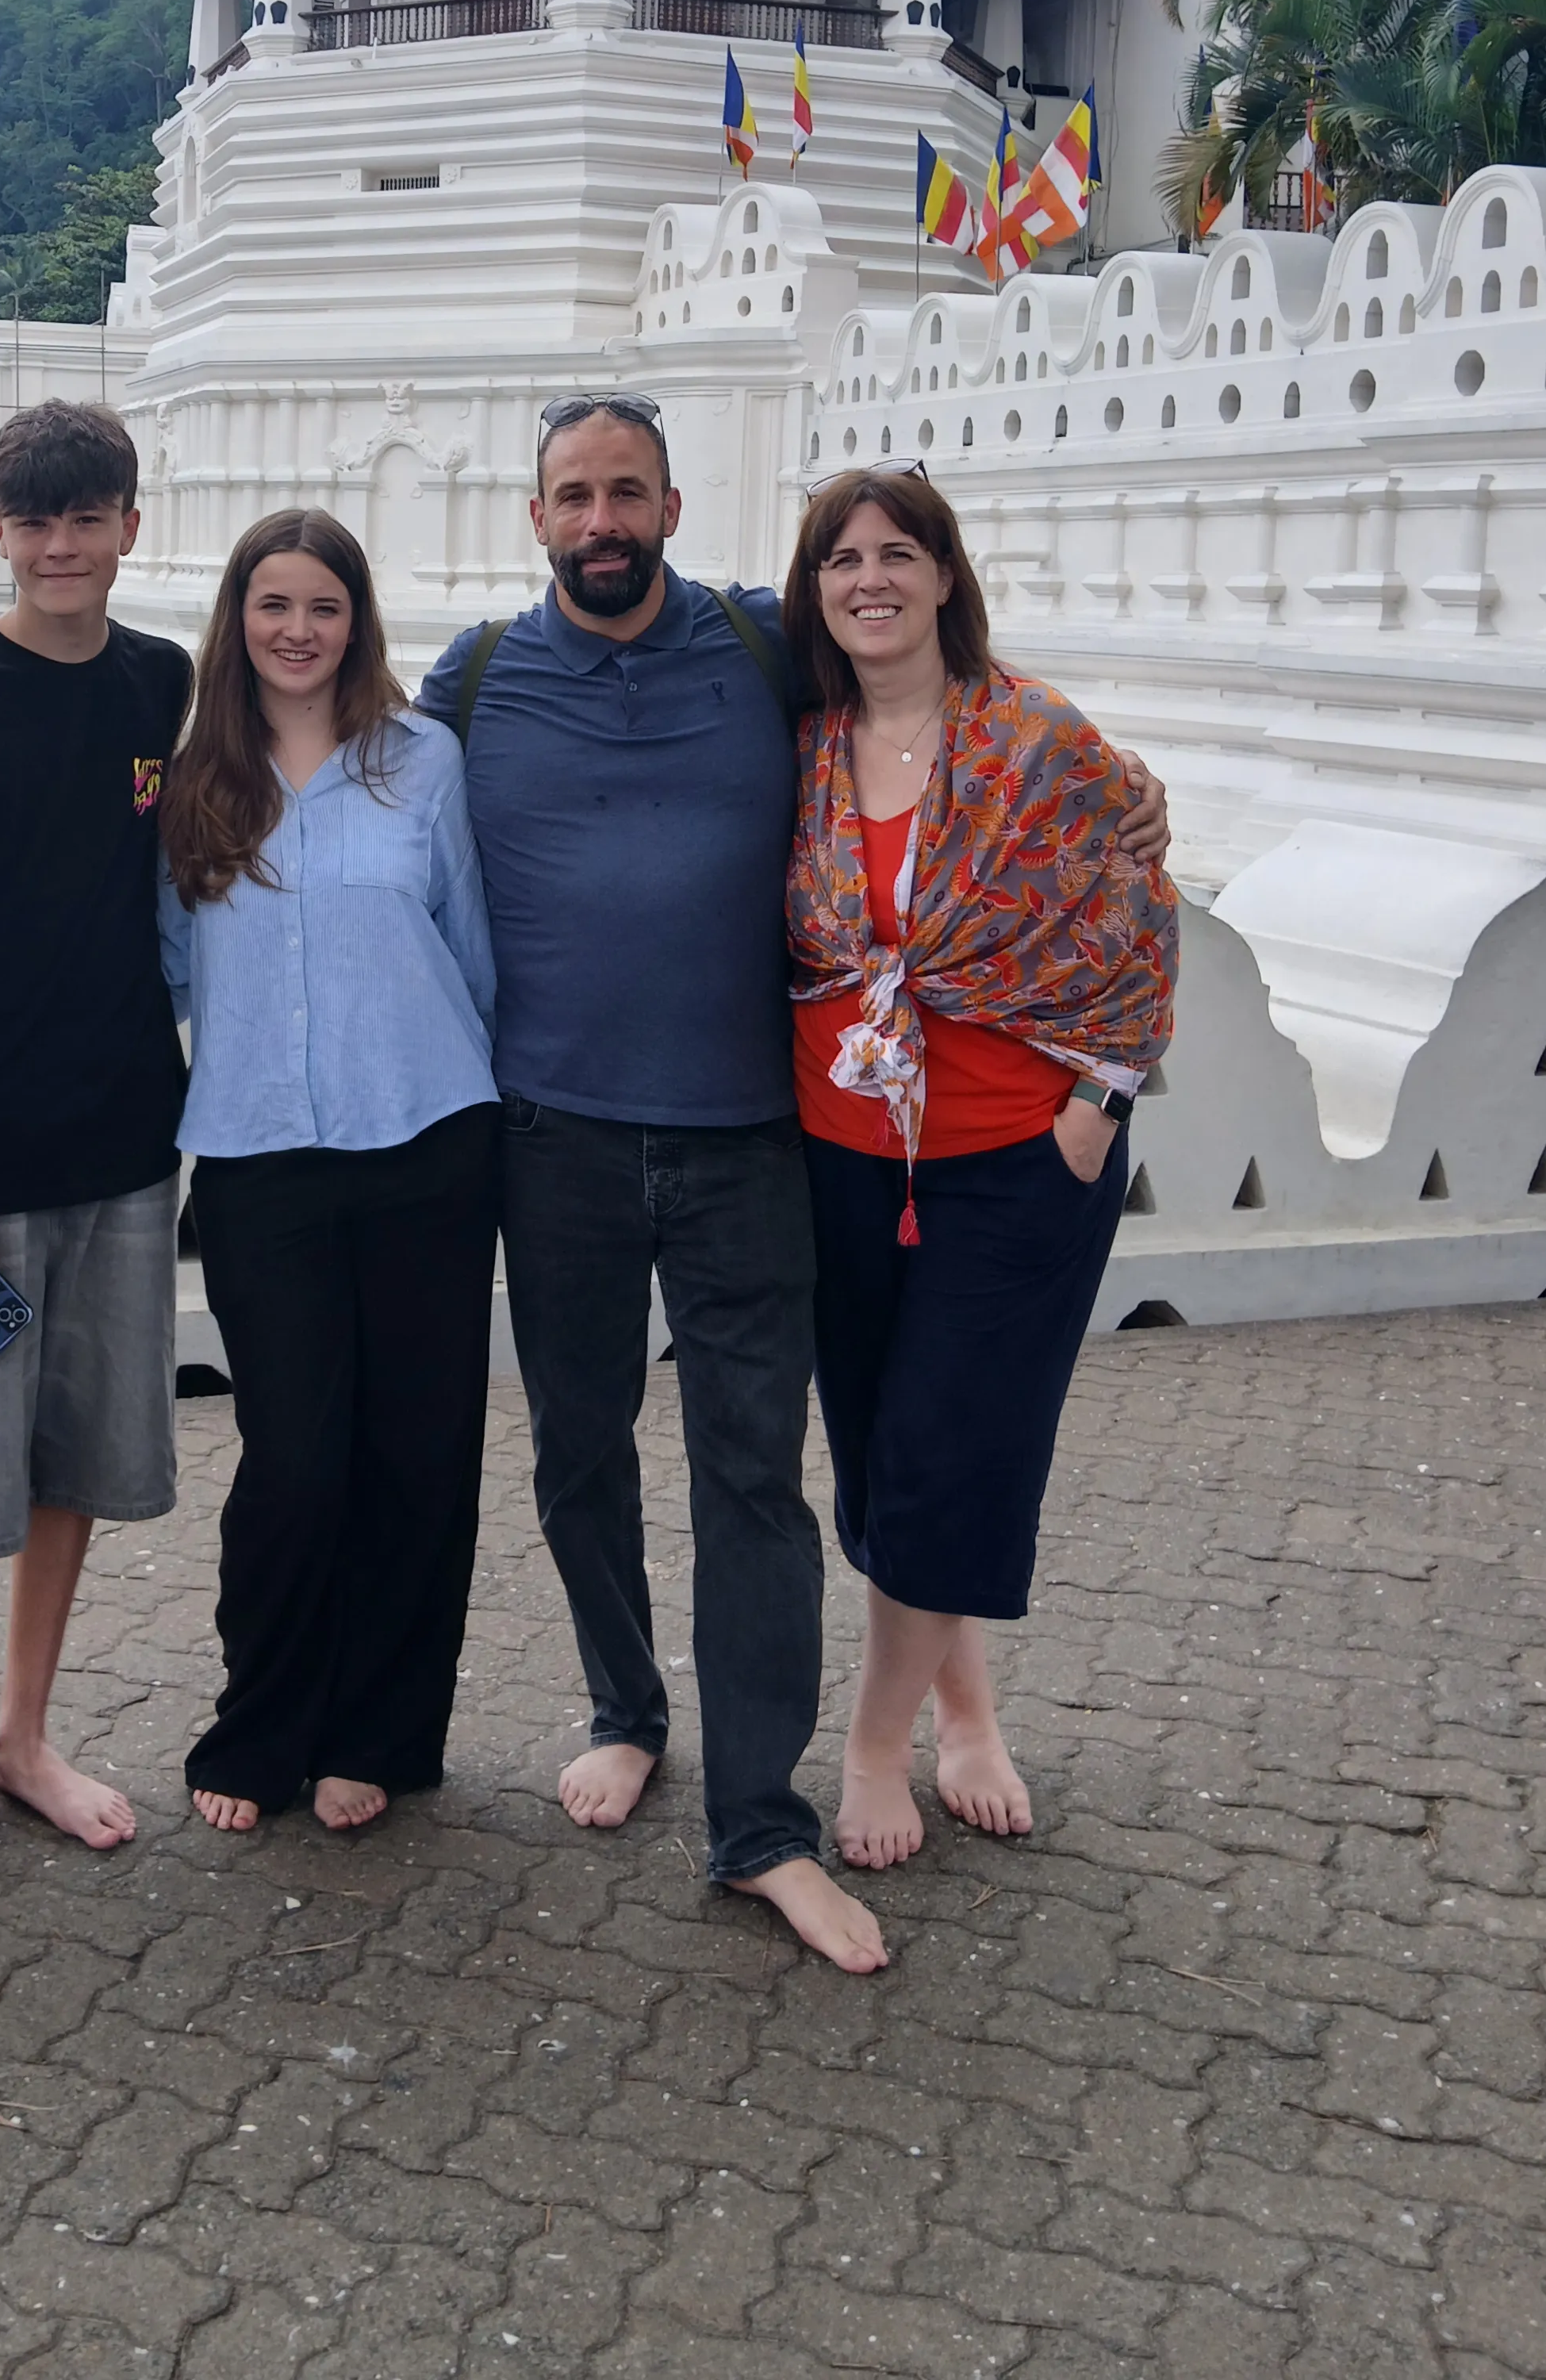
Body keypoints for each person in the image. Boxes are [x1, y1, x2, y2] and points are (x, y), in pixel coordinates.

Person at [421, 397, 1169, 1976]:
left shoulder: (762, 653)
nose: (603, 517)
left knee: (754, 1478)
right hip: (549, 1139)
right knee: (576, 1449)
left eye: (630, 487)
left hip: (748, 1139)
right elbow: (354, 808)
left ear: (675, 502)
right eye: (575, 493)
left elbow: (958, 721)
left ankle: (762, 1819)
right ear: (536, 515)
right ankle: (628, 1711)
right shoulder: (476, 677)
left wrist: (1129, 811)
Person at [783, 466, 1176, 1874]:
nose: (871, 580)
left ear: (947, 577)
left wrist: (1098, 1103)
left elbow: (1145, 913)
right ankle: (965, 1709)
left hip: (1016, 1164)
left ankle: (875, 1747)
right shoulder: (810, 742)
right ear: (814, 590)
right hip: (843, 1162)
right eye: (842, 559)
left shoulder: (1034, 739)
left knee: (952, 1455)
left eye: (899, 554)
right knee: (883, 1456)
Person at [0, 401, 191, 1871]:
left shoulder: (163, 684)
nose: (62, 546)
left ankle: (25, 1737)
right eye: (35, 521)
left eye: (88, 517)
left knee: (71, 1455)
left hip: (127, 1146)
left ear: (130, 524)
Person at [163, 510, 500, 1836]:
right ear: (237, 621)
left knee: (418, 1456)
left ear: (357, 621)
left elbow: (469, 950)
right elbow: (171, 969)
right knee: (293, 1459)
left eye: (322, 606)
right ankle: (265, 1720)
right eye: (272, 604)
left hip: (427, 1139)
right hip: (259, 1160)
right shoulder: (192, 779)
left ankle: (384, 1732)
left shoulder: (423, 762)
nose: (296, 629)